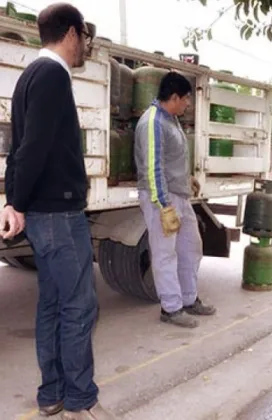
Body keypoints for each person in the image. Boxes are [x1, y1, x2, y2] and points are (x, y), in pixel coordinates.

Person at [0, 4, 115, 419]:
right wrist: (18, 202)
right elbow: (31, 149)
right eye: (84, 34)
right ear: (70, 32)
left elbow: (18, 149)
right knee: (80, 306)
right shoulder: (50, 76)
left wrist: (15, 201)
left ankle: (52, 393)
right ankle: (81, 400)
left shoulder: (28, 76)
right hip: (59, 216)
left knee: (52, 304)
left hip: (43, 215)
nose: (85, 43)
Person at [135, 71, 216, 329]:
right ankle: (170, 308)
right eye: (186, 99)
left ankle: (189, 299)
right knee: (165, 254)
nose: (188, 104)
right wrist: (163, 206)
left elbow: (172, 157)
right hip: (162, 198)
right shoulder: (152, 123)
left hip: (178, 195)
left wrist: (187, 177)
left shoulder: (171, 119)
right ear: (173, 97)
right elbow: (152, 167)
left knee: (191, 247)